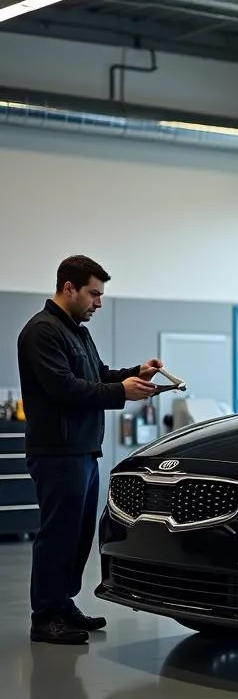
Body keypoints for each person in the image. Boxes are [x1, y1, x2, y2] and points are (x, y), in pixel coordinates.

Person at [17, 255, 162, 645]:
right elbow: (63, 388)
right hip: (57, 451)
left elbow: (97, 375)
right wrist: (121, 393)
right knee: (58, 534)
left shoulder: (77, 331)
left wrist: (135, 374)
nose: (99, 303)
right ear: (69, 288)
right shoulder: (42, 332)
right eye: (94, 294)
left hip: (82, 449)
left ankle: (63, 604)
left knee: (79, 534)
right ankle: (45, 616)